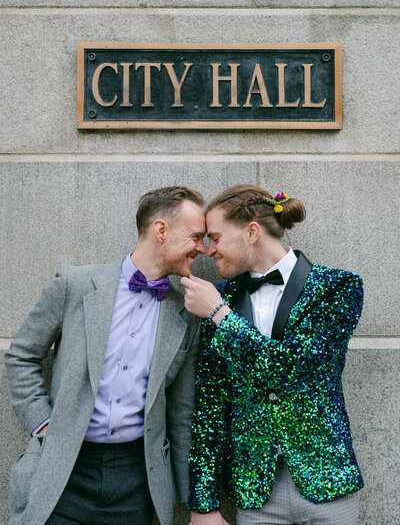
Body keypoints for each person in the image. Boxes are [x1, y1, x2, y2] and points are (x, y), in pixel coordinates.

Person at [5, 186, 206, 525]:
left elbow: (182, 411)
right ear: (161, 230)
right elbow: (22, 355)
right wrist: (42, 422)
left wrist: (196, 504)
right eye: (196, 236)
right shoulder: (76, 285)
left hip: (135, 481)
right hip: (64, 470)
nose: (202, 248)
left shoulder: (186, 314)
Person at [181, 184, 364, 525]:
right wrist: (202, 506)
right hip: (255, 494)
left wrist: (221, 315)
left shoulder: (338, 288)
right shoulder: (220, 300)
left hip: (327, 484)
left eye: (217, 238)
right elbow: (208, 409)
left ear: (252, 232)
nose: (209, 250)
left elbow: (293, 369)